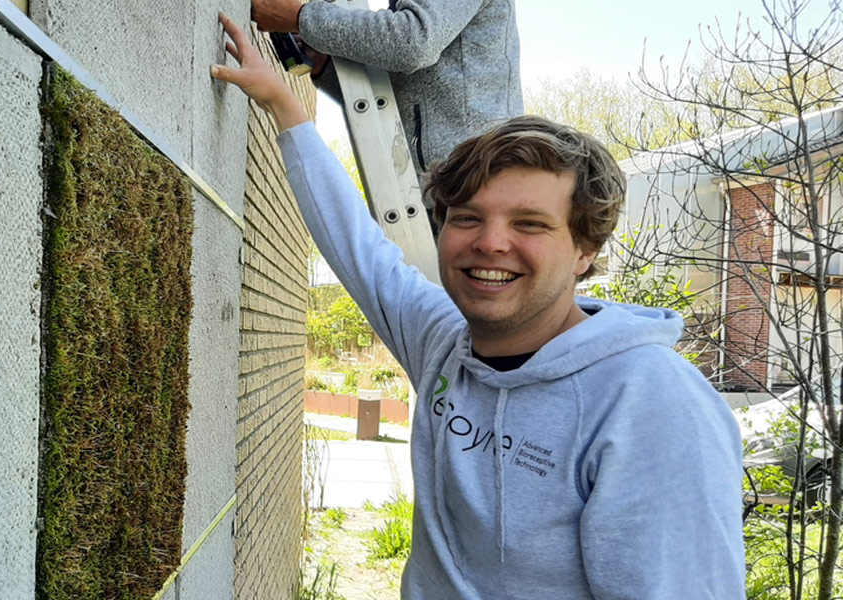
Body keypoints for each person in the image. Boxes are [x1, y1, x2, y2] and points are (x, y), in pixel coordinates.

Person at [211, 13, 744, 598]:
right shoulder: (445, 344)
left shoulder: (650, 403)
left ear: (584, 251)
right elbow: (357, 249)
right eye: (466, 218)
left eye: (529, 224)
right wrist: (287, 109)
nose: (489, 242)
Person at [250, 0, 523, 174]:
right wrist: (326, 68)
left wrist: (301, 18)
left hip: (475, 178)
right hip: (439, 185)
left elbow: (414, 42)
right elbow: (407, 84)